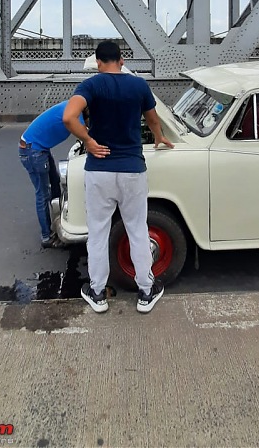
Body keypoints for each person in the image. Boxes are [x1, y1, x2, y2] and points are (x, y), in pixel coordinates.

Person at [63, 40, 174, 314]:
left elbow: (68, 117)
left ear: (98, 62)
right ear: (121, 60)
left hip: (99, 171)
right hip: (132, 171)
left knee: (98, 232)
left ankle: (98, 293)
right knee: (137, 230)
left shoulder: (91, 85)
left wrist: (88, 141)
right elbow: (153, 119)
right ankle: (146, 291)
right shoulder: (138, 85)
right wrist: (159, 138)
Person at [19, 101, 84, 248]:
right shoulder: (76, 112)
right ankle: (46, 237)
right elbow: (85, 133)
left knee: (55, 185)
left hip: (38, 149)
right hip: (33, 150)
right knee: (43, 194)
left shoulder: (72, 105)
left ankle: (58, 223)